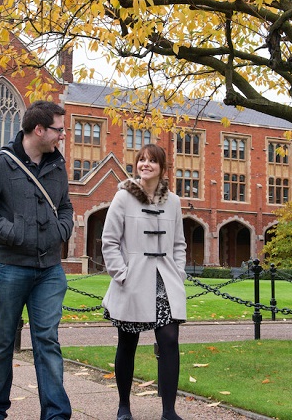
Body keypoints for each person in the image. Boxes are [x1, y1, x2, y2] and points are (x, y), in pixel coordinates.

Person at [0, 100, 74, 420]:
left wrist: (62, 229)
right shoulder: (0, 164)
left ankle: (56, 415)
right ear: (39, 129)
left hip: (49, 269)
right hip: (8, 267)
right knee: (2, 342)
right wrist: (13, 233)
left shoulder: (58, 164)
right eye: (59, 129)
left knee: (47, 341)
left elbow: (65, 206)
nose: (63, 135)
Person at [101, 144, 187, 420]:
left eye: (152, 161)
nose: (145, 164)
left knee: (169, 340)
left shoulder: (173, 202)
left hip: (165, 281)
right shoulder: (123, 197)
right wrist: (121, 274)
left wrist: (179, 273)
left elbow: (179, 244)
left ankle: (169, 411)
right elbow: (109, 241)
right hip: (132, 280)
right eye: (141, 160)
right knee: (128, 343)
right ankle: (124, 406)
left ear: (162, 168)